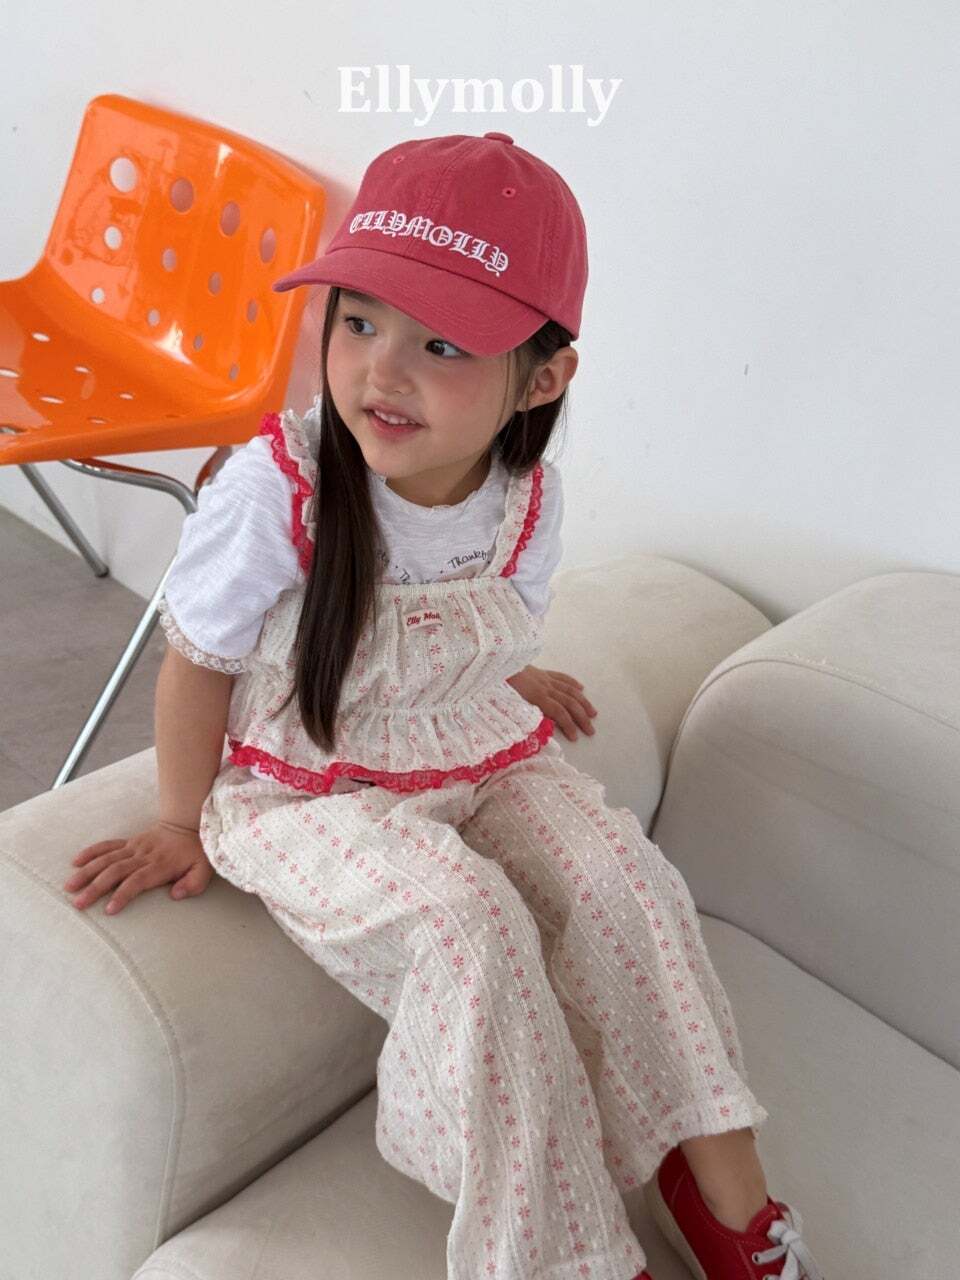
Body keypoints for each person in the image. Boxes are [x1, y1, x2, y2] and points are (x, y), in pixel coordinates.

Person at [63, 132, 824, 1280]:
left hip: (476, 744)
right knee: (470, 924)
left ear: (544, 377)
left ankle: (725, 1191)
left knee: (626, 883)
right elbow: (198, 659)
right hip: (304, 783)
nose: (380, 370)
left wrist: (501, 672)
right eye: (358, 321)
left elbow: (472, 624)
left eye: (442, 343)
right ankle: (563, 1253)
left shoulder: (527, 499)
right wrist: (181, 817)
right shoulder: (281, 486)